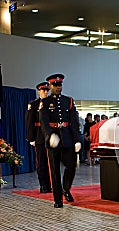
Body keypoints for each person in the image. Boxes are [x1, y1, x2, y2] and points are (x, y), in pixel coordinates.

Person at [39, 74, 81, 208]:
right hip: (54, 139)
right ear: (50, 86)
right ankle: (58, 199)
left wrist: (77, 139)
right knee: (55, 170)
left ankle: (66, 188)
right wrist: (49, 135)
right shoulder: (45, 102)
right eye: (55, 85)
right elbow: (44, 121)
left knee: (71, 165)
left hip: (67, 138)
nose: (58, 88)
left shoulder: (68, 101)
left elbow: (74, 122)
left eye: (60, 85)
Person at [25, 82, 52, 193]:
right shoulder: (34, 104)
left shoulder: (52, 103)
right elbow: (29, 122)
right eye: (43, 90)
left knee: (53, 163)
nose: (45, 92)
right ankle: (44, 186)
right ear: (38, 91)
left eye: (47, 90)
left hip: (51, 136)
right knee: (41, 163)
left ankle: (52, 185)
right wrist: (31, 138)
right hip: (39, 136)